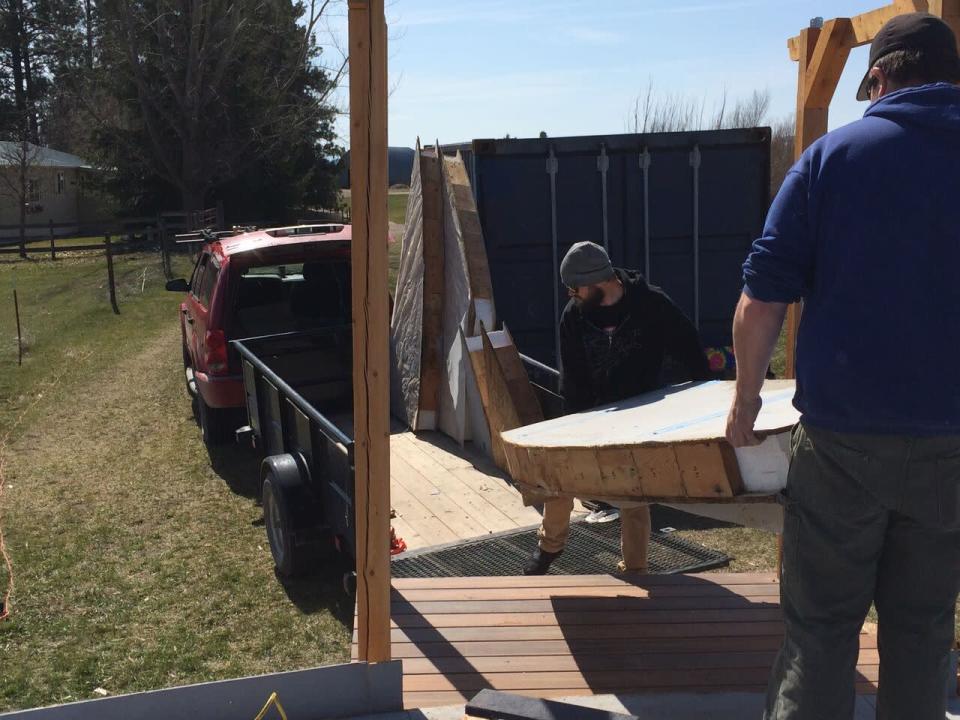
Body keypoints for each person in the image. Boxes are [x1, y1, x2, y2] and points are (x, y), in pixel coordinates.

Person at [725, 13, 960, 720]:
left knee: (821, 633)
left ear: (881, 77)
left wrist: (743, 404)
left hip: (844, 447)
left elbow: (761, 301)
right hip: (952, 448)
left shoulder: (831, 160)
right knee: (922, 636)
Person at [523, 241, 710, 575]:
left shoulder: (652, 304)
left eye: (575, 288)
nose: (572, 295)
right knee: (558, 480)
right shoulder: (575, 316)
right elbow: (573, 376)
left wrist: (707, 392)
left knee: (633, 496)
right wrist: (575, 425)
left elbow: (689, 347)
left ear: (598, 282)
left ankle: (634, 570)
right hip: (589, 414)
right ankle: (548, 549)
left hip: (639, 415)